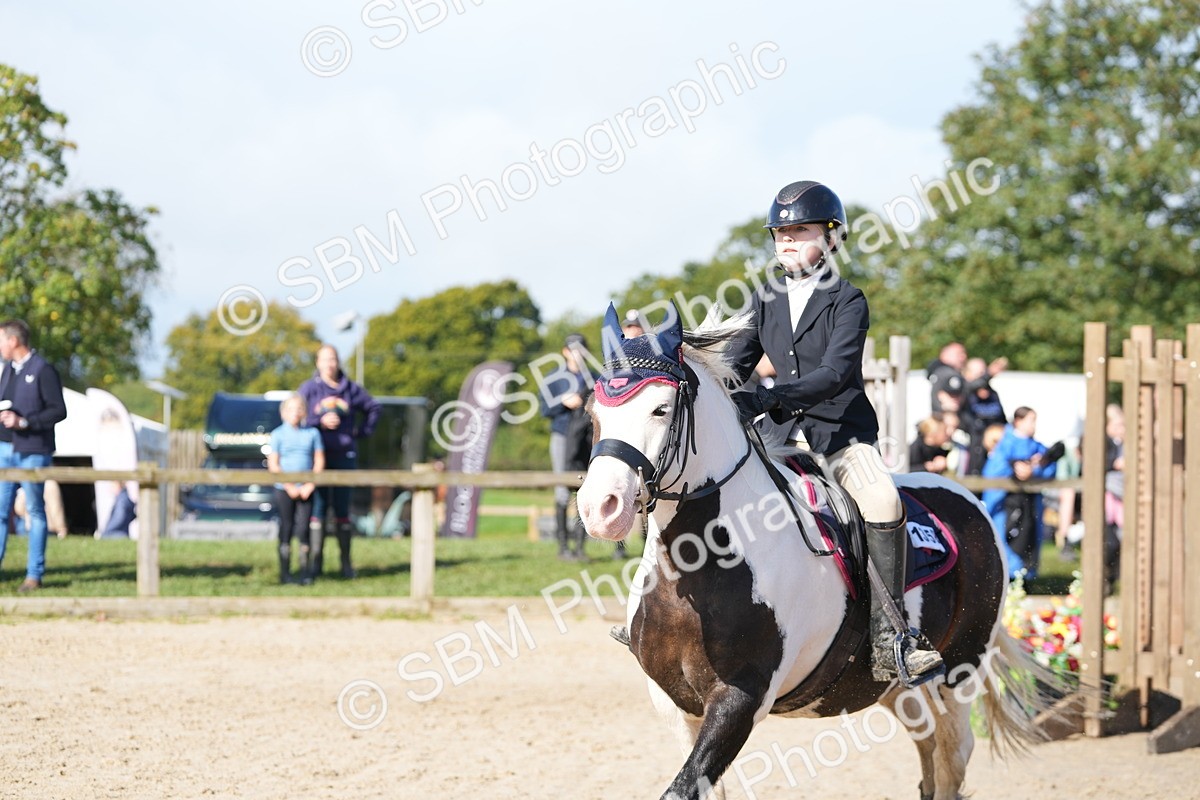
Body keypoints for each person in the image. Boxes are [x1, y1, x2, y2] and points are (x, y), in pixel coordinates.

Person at [726, 180, 943, 687]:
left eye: (798, 231)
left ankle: (893, 639)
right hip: (779, 440)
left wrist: (771, 395)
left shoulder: (849, 300)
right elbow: (737, 364)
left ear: (831, 237)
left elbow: (835, 373)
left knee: (884, 503)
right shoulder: (765, 298)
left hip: (841, 438)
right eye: (780, 233)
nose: (786, 241)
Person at [299, 344, 380, 579]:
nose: (330, 364)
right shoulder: (309, 389)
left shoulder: (351, 390)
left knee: (343, 509)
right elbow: (296, 414)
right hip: (318, 457)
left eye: (333, 359)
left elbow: (374, 408)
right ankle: (316, 564)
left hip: (345, 455)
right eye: (325, 360)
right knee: (319, 508)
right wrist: (319, 421)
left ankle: (346, 564)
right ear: (318, 362)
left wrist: (360, 432)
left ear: (338, 362)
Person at [0, 319, 68, 593]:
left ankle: (33, 575)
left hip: (33, 452)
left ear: (13, 340)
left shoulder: (43, 370)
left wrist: (24, 422)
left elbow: (58, 410)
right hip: (5, 450)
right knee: (1, 513)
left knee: (36, 512)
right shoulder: (7, 371)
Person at [981, 406, 1057, 580]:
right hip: (1006, 504)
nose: (1034, 425)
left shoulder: (1037, 447)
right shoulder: (1005, 444)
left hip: (1030, 504)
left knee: (1028, 539)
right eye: (1031, 420)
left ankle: (1026, 577)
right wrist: (1014, 467)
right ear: (1018, 421)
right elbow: (992, 472)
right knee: (1007, 540)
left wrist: (1035, 470)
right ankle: (1010, 576)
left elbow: (1050, 469)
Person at [540, 333, 592, 561]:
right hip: (562, 435)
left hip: (587, 438)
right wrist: (563, 402)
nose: (577, 353)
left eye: (581, 349)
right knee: (562, 488)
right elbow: (544, 409)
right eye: (573, 349)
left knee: (585, 488)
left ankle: (580, 548)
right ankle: (563, 547)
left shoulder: (594, 378)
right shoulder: (554, 378)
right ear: (565, 352)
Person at [268, 393, 325, 584]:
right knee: (286, 526)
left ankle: (304, 572)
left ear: (304, 412)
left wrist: (310, 484)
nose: (295, 413)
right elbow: (274, 464)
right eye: (291, 409)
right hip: (284, 489)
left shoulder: (312, 434)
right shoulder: (277, 435)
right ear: (283, 413)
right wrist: (289, 486)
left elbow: (318, 460)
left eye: (299, 409)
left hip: (306, 489)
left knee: (304, 528)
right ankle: (285, 573)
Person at [959, 357, 1007, 475]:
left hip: (990, 459)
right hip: (969, 460)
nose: (983, 378)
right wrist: (989, 373)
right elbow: (969, 387)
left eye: (984, 373)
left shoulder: (992, 394)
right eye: (980, 374)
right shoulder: (964, 394)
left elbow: (1003, 422)